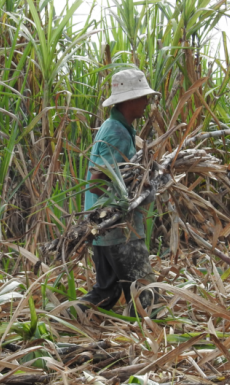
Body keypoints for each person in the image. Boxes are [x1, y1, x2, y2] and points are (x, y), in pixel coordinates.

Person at [80, 68, 159, 312]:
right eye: (143, 97)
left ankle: (60, 321)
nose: (147, 102)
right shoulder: (115, 133)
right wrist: (133, 197)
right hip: (117, 229)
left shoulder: (120, 128)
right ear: (129, 100)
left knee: (107, 291)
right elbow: (97, 181)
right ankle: (151, 346)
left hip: (106, 228)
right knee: (145, 297)